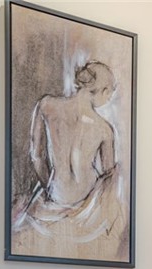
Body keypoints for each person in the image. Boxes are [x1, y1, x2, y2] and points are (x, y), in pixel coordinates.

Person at [11, 60, 126, 253]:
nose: (108, 99)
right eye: (110, 94)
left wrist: (49, 187)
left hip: (56, 193)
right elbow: (108, 176)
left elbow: (37, 156)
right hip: (87, 201)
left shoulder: (46, 106)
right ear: (103, 90)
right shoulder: (105, 129)